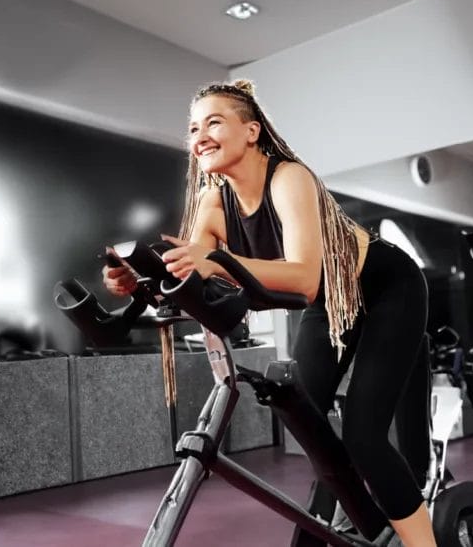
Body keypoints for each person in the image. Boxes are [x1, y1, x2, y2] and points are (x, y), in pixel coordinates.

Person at [103, 79, 434, 546]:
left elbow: (302, 277)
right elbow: (195, 275)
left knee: (363, 435)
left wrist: (215, 262)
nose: (200, 135)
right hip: (329, 304)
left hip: (385, 287)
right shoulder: (212, 202)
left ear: (252, 130)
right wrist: (141, 280)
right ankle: (342, 534)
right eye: (194, 127)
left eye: (214, 122)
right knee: (311, 427)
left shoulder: (288, 177)